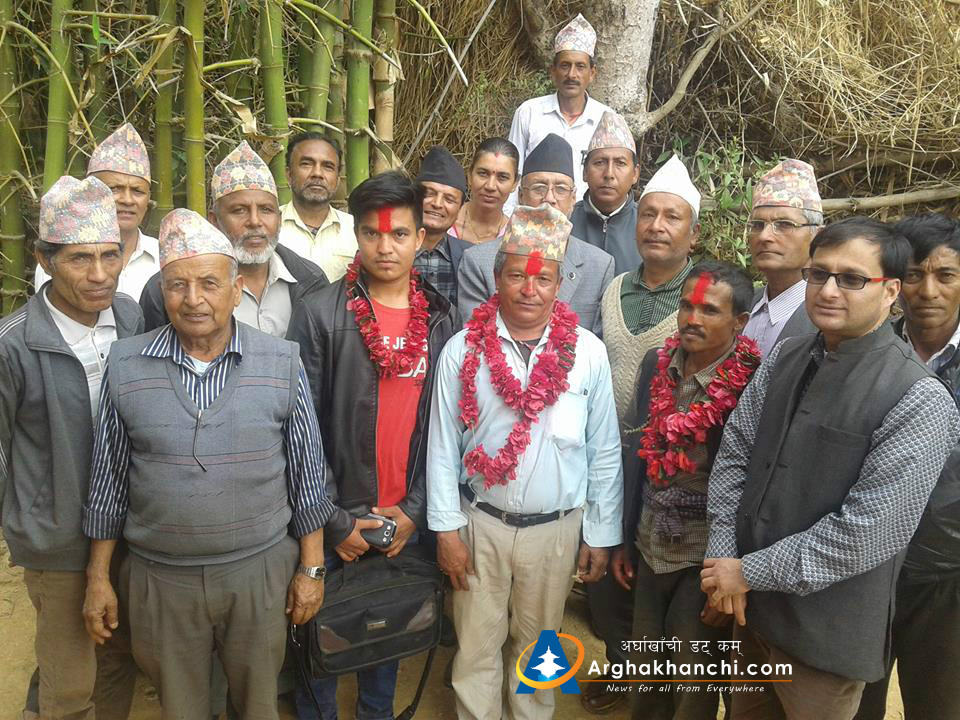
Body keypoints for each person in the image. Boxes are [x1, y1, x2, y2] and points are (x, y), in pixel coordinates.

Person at [701, 217, 960, 720]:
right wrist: (723, 554)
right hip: (750, 611)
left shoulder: (920, 398)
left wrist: (746, 571)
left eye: (852, 279)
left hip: (825, 633)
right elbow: (736, 451)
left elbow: (867, 534)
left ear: (891, 293)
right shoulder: (788, 355)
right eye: (819, 274)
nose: (829, 290)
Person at [81, 208, 335, 720]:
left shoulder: (281, 360)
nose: (193, 299)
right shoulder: (126, 364)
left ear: (236, 290)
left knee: (258, 702)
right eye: (178, 285)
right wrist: (98, 577)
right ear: (162, 292)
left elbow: (308, 474)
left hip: (259, 572)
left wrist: (311, 569)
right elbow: (108, 481)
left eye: (209, 283)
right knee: (181, 706)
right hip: (160, 577)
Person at [427, 203, 623, 720]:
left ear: (560, 285)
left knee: (540, 648)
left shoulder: (588, 353)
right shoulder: (462, 350)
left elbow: (604, 448)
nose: (529, 289)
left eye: (543, 278)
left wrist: (600, 534)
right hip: (479, 526)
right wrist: (446, 530)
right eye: (517, 275)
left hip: (556, 532)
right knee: (475, 646)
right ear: (497, 278)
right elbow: (442, 445)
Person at [286, 171, 459, 720]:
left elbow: (446, 427)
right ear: (356, 234)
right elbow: (301, 428)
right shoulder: (319, 312)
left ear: (420, 237)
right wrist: (336, 522)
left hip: (403, 518)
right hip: (334, 519)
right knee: (321, 643)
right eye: (372, 233)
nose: (386, 247)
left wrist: (414, 511)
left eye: (400, 234)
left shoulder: (440, 318)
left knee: (387, 631)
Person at [1, 175, 143, 720]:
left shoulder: (130, 317)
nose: (99, 274)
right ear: (45, 259)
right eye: (80, 259)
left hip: (128, 529)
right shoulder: (14, 344)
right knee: (68, 678)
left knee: (118, 655)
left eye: (110, 255)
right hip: (58, 539)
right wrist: (26, 521)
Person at [610, 261, 760, 720]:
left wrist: (728, 579)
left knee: (691, 683)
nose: (692, 319)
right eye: (686, 306)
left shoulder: (752, 384)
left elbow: (752, 486)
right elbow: (637, 458)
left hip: (704, 561)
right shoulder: (657, 364)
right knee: (645, 669)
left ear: (740, 322)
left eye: (709, 310)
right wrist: (624, 538)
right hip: (649, 545)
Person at [855, 213, 960, 720]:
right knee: (857, 700)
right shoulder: (870, 349)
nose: (929, 291)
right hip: (867, 567)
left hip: (947, 574)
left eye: (946, 275)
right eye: (915, 275)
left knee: (938, 703)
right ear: (896, 284)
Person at [139, 140, 326, 334]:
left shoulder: (311, 280)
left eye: (266, 210)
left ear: (278, 219)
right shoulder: (168, 290)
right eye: (239, 210)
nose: (255, 221)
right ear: (214, 221)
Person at [458, 133, 615, 335]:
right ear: (521, 195)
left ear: (573, 198)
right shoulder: (479, 262)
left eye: (560, 189)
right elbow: (474, 338)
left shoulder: (599, 265)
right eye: (539, 188)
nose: (549, 198)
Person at [601, 154, 702, 421]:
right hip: (601, 440)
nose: (656, 226)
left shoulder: (704, 300)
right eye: (648, 214)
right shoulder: (615, 289)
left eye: (672, 217)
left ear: (694, 234)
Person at [34, 123, 159, 300]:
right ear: (91, 194)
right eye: (114, 188)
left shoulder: (164, 257)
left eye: (137, 191)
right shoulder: (58, 260)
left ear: (148, 199)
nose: (127, 200)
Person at [505, 13, 613, 214]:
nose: (572, 74)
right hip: (533, 220)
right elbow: (512, 174)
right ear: (553, 71)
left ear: (592, 73)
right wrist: (510, 221)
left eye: (580, 66)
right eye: (565, 65)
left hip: (587, 222)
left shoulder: (606, 119)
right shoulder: (529, 112)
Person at [742, 159, 823, 358]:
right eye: (757, 225)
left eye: (784, 224)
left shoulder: (826, 314)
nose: (764, 236)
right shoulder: (742, 305)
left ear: (817, 236)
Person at [279, 132, 357, 281]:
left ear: (338, 179)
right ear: (289, 174)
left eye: (328, 167)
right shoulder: (268, 228)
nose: (317, 173)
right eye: (306, 164)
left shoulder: (356, 230)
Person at [571, 110, 641, 275]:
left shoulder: (647, 225)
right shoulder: (566, 221)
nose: (609, 174)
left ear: (635, 174)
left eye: (620, 163)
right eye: (600, 162)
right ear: (585, 172)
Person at [414, 145, 471, 307]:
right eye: (429, 194)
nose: (437, 204)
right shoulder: (390, 250)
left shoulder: (469, 257)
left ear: (460, 208)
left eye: (449, 199)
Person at [451, 137, 519, 245]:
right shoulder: (445, 223)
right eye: (483, 173)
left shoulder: (515, 237)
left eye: (502, 177)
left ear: (515, 183)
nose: (490, 186)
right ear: (469, 175)